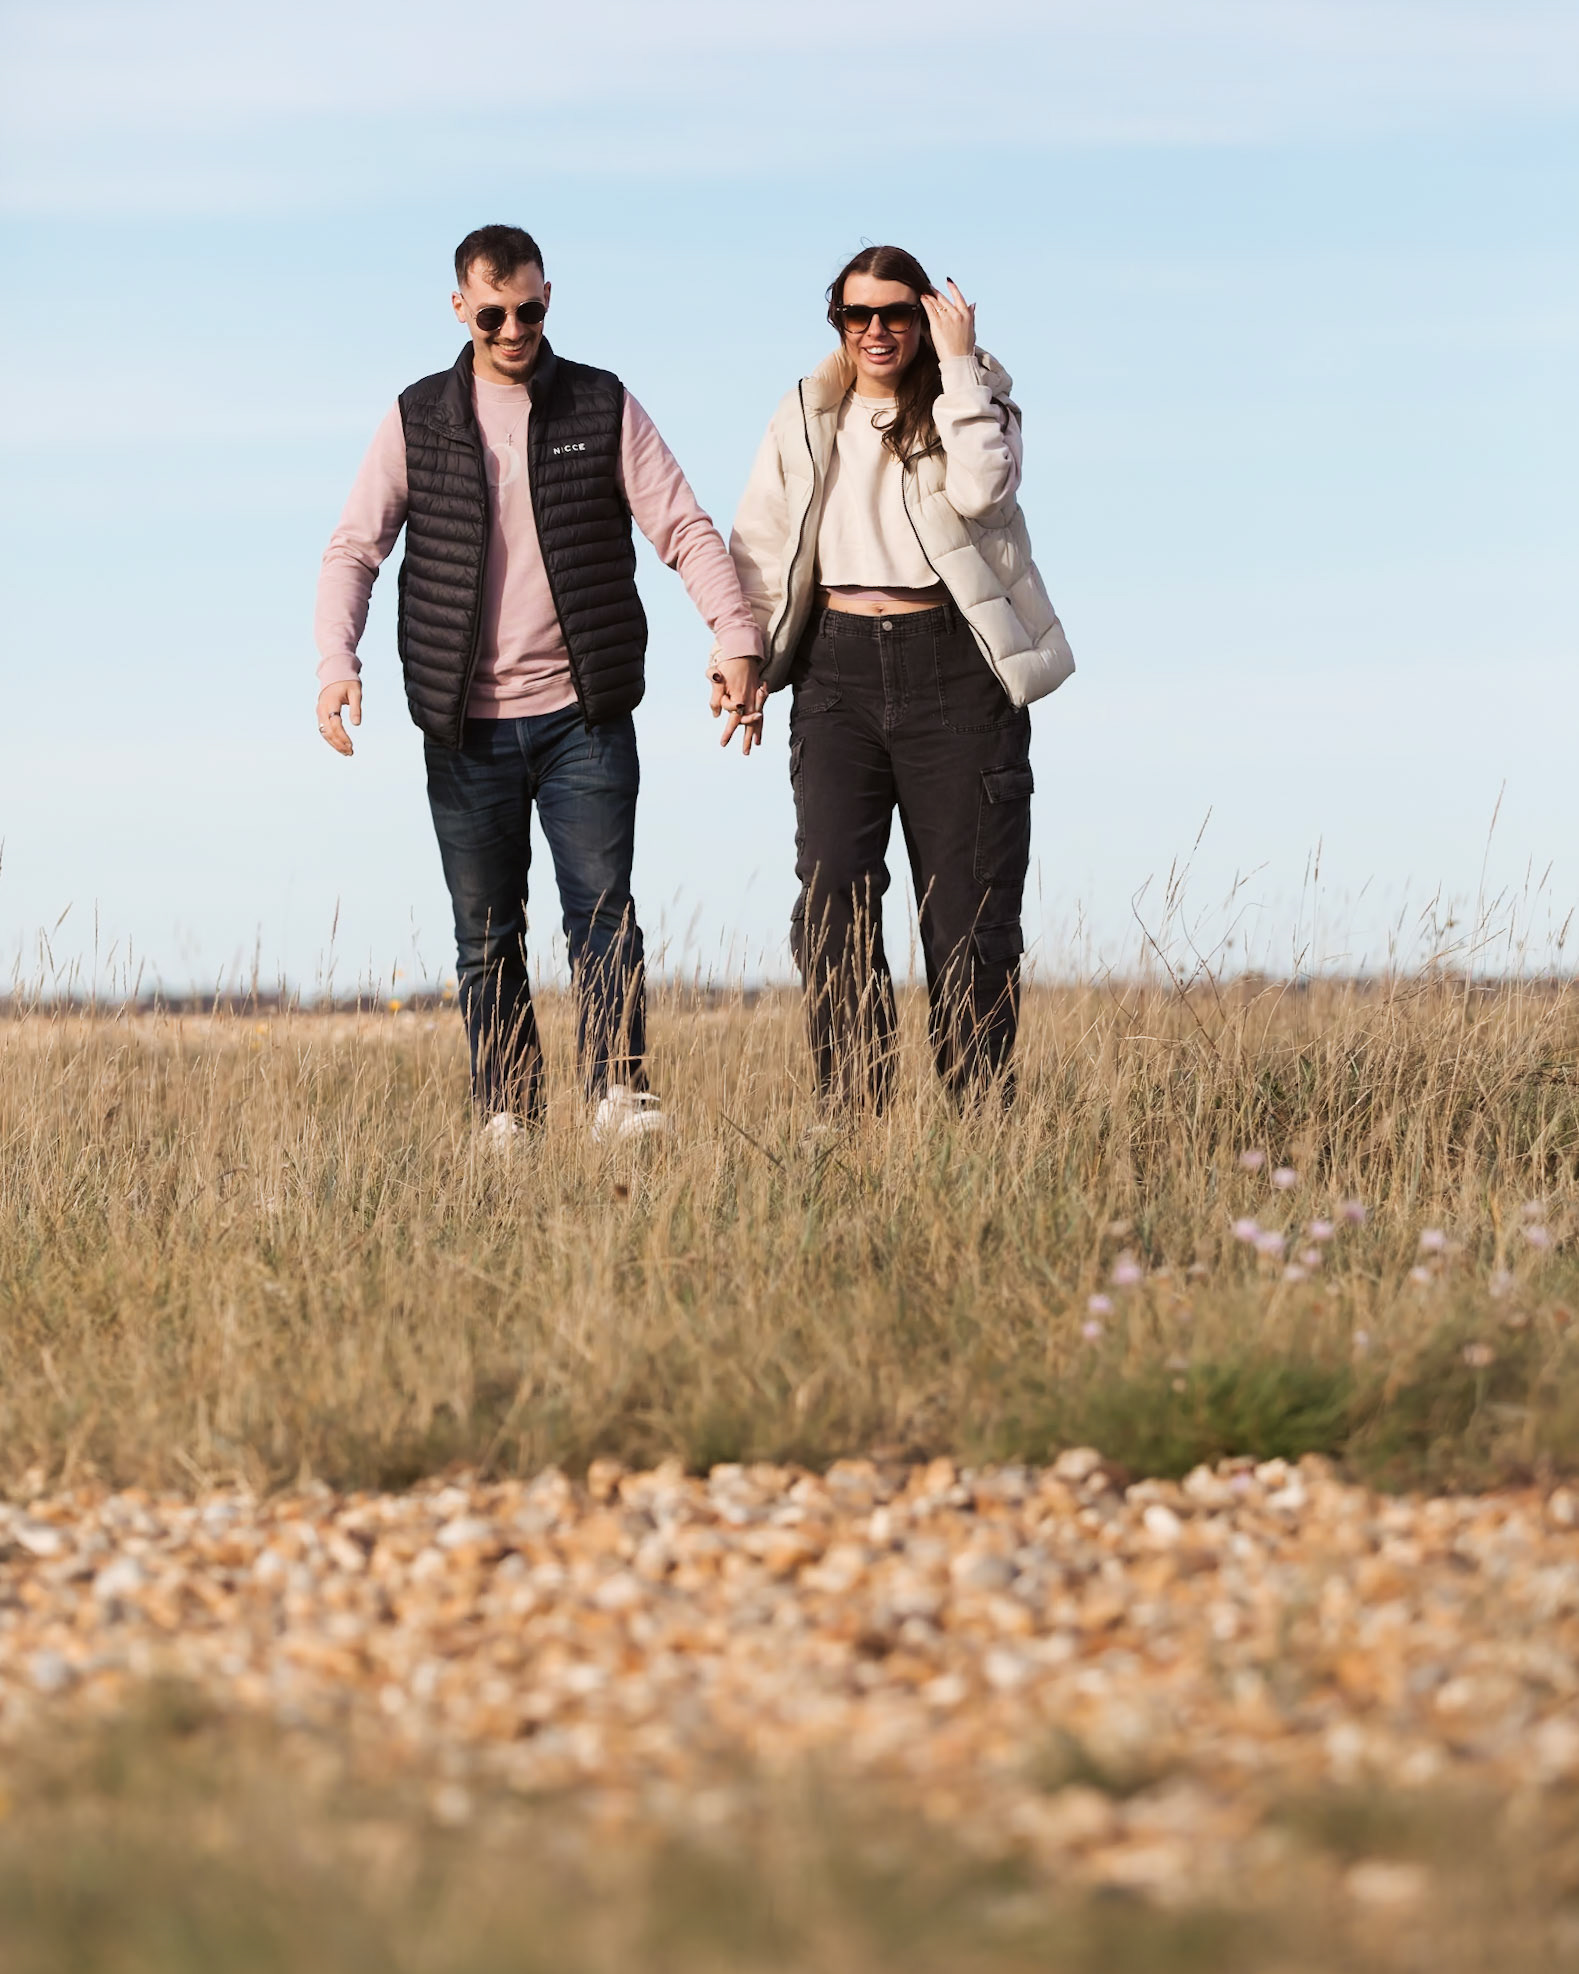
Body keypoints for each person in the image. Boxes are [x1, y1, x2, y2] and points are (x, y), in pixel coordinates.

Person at [314, 224, 764, 1143]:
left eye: (527, 310)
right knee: (485, 936)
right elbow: (354, 549)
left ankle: (617, 1096)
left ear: (547, 297)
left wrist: (735, 636)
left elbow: (682, 527)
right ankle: (507, 1115)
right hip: (462, 727)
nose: (513, 330)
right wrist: (336, 663)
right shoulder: (417, 418)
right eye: (492, 315)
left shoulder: (601, 404)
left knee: (603, 917)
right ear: (460, 310)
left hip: (581, 716)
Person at [725, 244, 1074, 1109]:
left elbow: (985, 492)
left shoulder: (974, 399)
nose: (875, 330)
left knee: (969, 916)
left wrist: (959, 364)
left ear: (925, 318)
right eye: (858, 314)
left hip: (955, 666)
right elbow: (760, 543)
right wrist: (744, 657)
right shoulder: (804, 412)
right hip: (834, 670)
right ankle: (851, 1116)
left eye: (896, 314)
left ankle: (979, 1116)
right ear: (837, 321)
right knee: (831, 903)